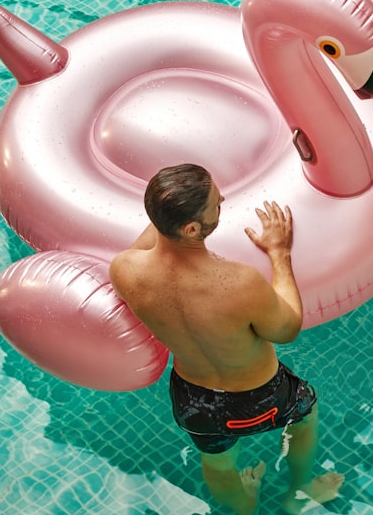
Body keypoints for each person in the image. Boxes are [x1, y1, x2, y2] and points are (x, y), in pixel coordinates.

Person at [110, 163, 343, 515]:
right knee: (305, 415)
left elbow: (155, 238)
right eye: (216, 204)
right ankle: (297, 494)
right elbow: (287, 327)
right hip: (261, 394)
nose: (223, 199)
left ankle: (244, 507)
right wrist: (279, 252)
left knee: (218, 463)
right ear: (191, 228)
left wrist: (175, 198)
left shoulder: (125, 270)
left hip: (194, 400)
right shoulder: (239, 283)